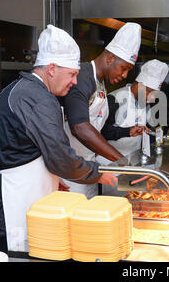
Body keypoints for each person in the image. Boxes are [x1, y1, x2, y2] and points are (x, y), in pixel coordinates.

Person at [0, 24, 117, 253]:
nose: (74, 81)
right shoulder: (38, 98)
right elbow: (60, 157)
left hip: (8, 199)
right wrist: (98, 174)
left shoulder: (24, 89)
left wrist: (54, 180)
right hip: (9, 206)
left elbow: (26, 149)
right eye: (72, 74)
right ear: (52, 68)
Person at [61, 22, 142, 198]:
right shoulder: (82, 78)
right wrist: (122, 162)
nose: (124, 75)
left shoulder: (100, 83)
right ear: (110, 58)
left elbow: (99, 129)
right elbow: (80, 128)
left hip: (89, 168)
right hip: (69, 174)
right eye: (124, 68)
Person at [101, 59, 169, 164]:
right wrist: (127, 132)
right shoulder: (114, 100)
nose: (150, 98)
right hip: (109, 162)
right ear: (138, 85)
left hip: (134, 160)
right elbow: (101, 132)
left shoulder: (146, 102)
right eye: (148, 92)